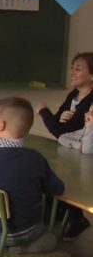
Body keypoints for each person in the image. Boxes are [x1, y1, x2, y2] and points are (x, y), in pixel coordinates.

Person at [0, 97, 65, 255]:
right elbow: (58, 189)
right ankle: (24, 248)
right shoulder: (36, 158)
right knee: (47, 228)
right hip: (31, 232)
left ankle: (11, 249)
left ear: (0, 125)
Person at [37, 53, 93, 238]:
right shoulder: (73, 95)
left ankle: (75, 217)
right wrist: (59, 119)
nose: (72, 72)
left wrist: (43, 111)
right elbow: (60, 125)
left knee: (69, 178)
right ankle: (69, 215)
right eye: (72, 67)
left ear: (91, 75)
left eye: (78, 69)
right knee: (58, 171)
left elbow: (58, 131)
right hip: (74, 151)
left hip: (87, 154)